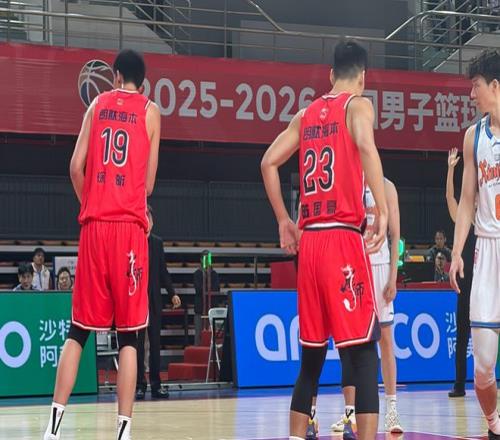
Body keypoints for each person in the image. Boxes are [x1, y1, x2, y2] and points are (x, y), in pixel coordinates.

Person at [261, 39, 388, 440]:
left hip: (310, 243)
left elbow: (267, 162)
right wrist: (383, 209)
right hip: (341, 238)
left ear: (331, 75)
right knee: (363, 354)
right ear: (362, 77)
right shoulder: (358, 106)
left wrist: (284, 220)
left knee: (311, 359)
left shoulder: (305, 114)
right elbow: (365, 146)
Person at [43, 49, 161, 440]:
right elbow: (148, 185)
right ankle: (123, 432)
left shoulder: (95, 105)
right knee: (129, 336)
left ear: (115, 76)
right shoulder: (150, 111)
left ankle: (53, 428)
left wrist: (92, 204)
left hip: (94, 228)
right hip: (129, 231)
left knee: (78, 331)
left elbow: (74, 168)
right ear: (142, 82)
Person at [449, 49, 500, 440]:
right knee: (482, 367)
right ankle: (494, 424)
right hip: (486, 251)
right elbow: (466, 200)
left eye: (476, 86)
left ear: (495, 86)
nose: (471, 94)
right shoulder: (473, 136)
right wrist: (455, 252)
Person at [328, 178, 402, 436]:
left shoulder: (387, 186)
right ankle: (350, 413)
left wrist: (393, 276)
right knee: (350, 344)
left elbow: (395, 235)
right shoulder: (349, 182)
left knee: (385, 340)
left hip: (379, 267)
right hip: (353, 268)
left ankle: (392, 408)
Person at [136, 204, 181, 400]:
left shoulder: (157, 242)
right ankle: (139, 385)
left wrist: (172, 293)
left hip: (154, 300)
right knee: (138, 346)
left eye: (149, 217)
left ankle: (156, 384)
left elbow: (163, 271)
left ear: (152, 222)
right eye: (143, 216)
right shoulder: (132, 240)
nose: (147, 220)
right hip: (136, 301)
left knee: (155, 344)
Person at [446, 147, 475, 398]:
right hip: (466, 285)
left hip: (486, 282)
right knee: (462, 335)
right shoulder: (462, 221)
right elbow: (450, 198)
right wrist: (450, 170)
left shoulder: (489, 221)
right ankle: (459, 384)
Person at [193, 253, 220, 346]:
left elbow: (216, 289)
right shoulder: (197, 274)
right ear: (201, 260)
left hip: (212, 308)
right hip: (200, 309)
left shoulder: (214, 274)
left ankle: (212, 353)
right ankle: (197, 352)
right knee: (198, 334)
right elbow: (198, 289)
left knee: (213, 334)